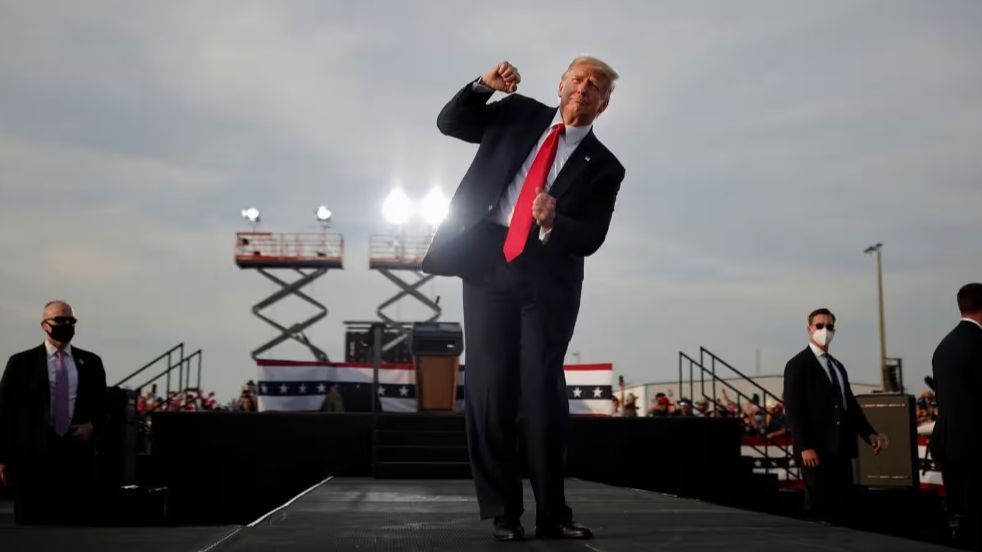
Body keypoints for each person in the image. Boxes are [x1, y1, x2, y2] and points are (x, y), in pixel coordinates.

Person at [422, 57, 624, 541]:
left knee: (541, 393)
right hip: (488, 264)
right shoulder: (517, 114)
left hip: (548, 277)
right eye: (578, 79)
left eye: (596, 86)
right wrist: (482, 86)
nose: (584, 88)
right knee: (490, 393)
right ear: (561, 85)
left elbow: (592, 236)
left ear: (603, 104)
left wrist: (556, 221)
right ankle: (503, 513)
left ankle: (553, 513)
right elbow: (451, 123)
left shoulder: (606, 166)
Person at [0, 300, 108, 524]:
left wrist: (93, 426)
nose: (66, 325)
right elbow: (5, 411)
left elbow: (104, 407)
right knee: (32, 527)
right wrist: (4, 458)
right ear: (44, 325)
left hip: (76, 456)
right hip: (33, 458)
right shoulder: (21, 363)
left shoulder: (91, 362)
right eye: (60, 320)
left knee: (75, 527)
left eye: (71, 320)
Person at [783, 307, 882, 523]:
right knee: (818, 507)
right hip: (815, 450)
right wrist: (805, 446)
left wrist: (869, 433)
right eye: (819, 326)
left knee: (842, 507)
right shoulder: (798, 365)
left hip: (840, 448)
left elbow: (849, 405)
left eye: (829, 326)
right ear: (810, 329)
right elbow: (793, 409)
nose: (824, 330)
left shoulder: (837, 366)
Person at [931, 283, 982, 550]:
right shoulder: (978, 344)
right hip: (975, 444)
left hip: (948, 442)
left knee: (960, 515)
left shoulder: (943, 346)